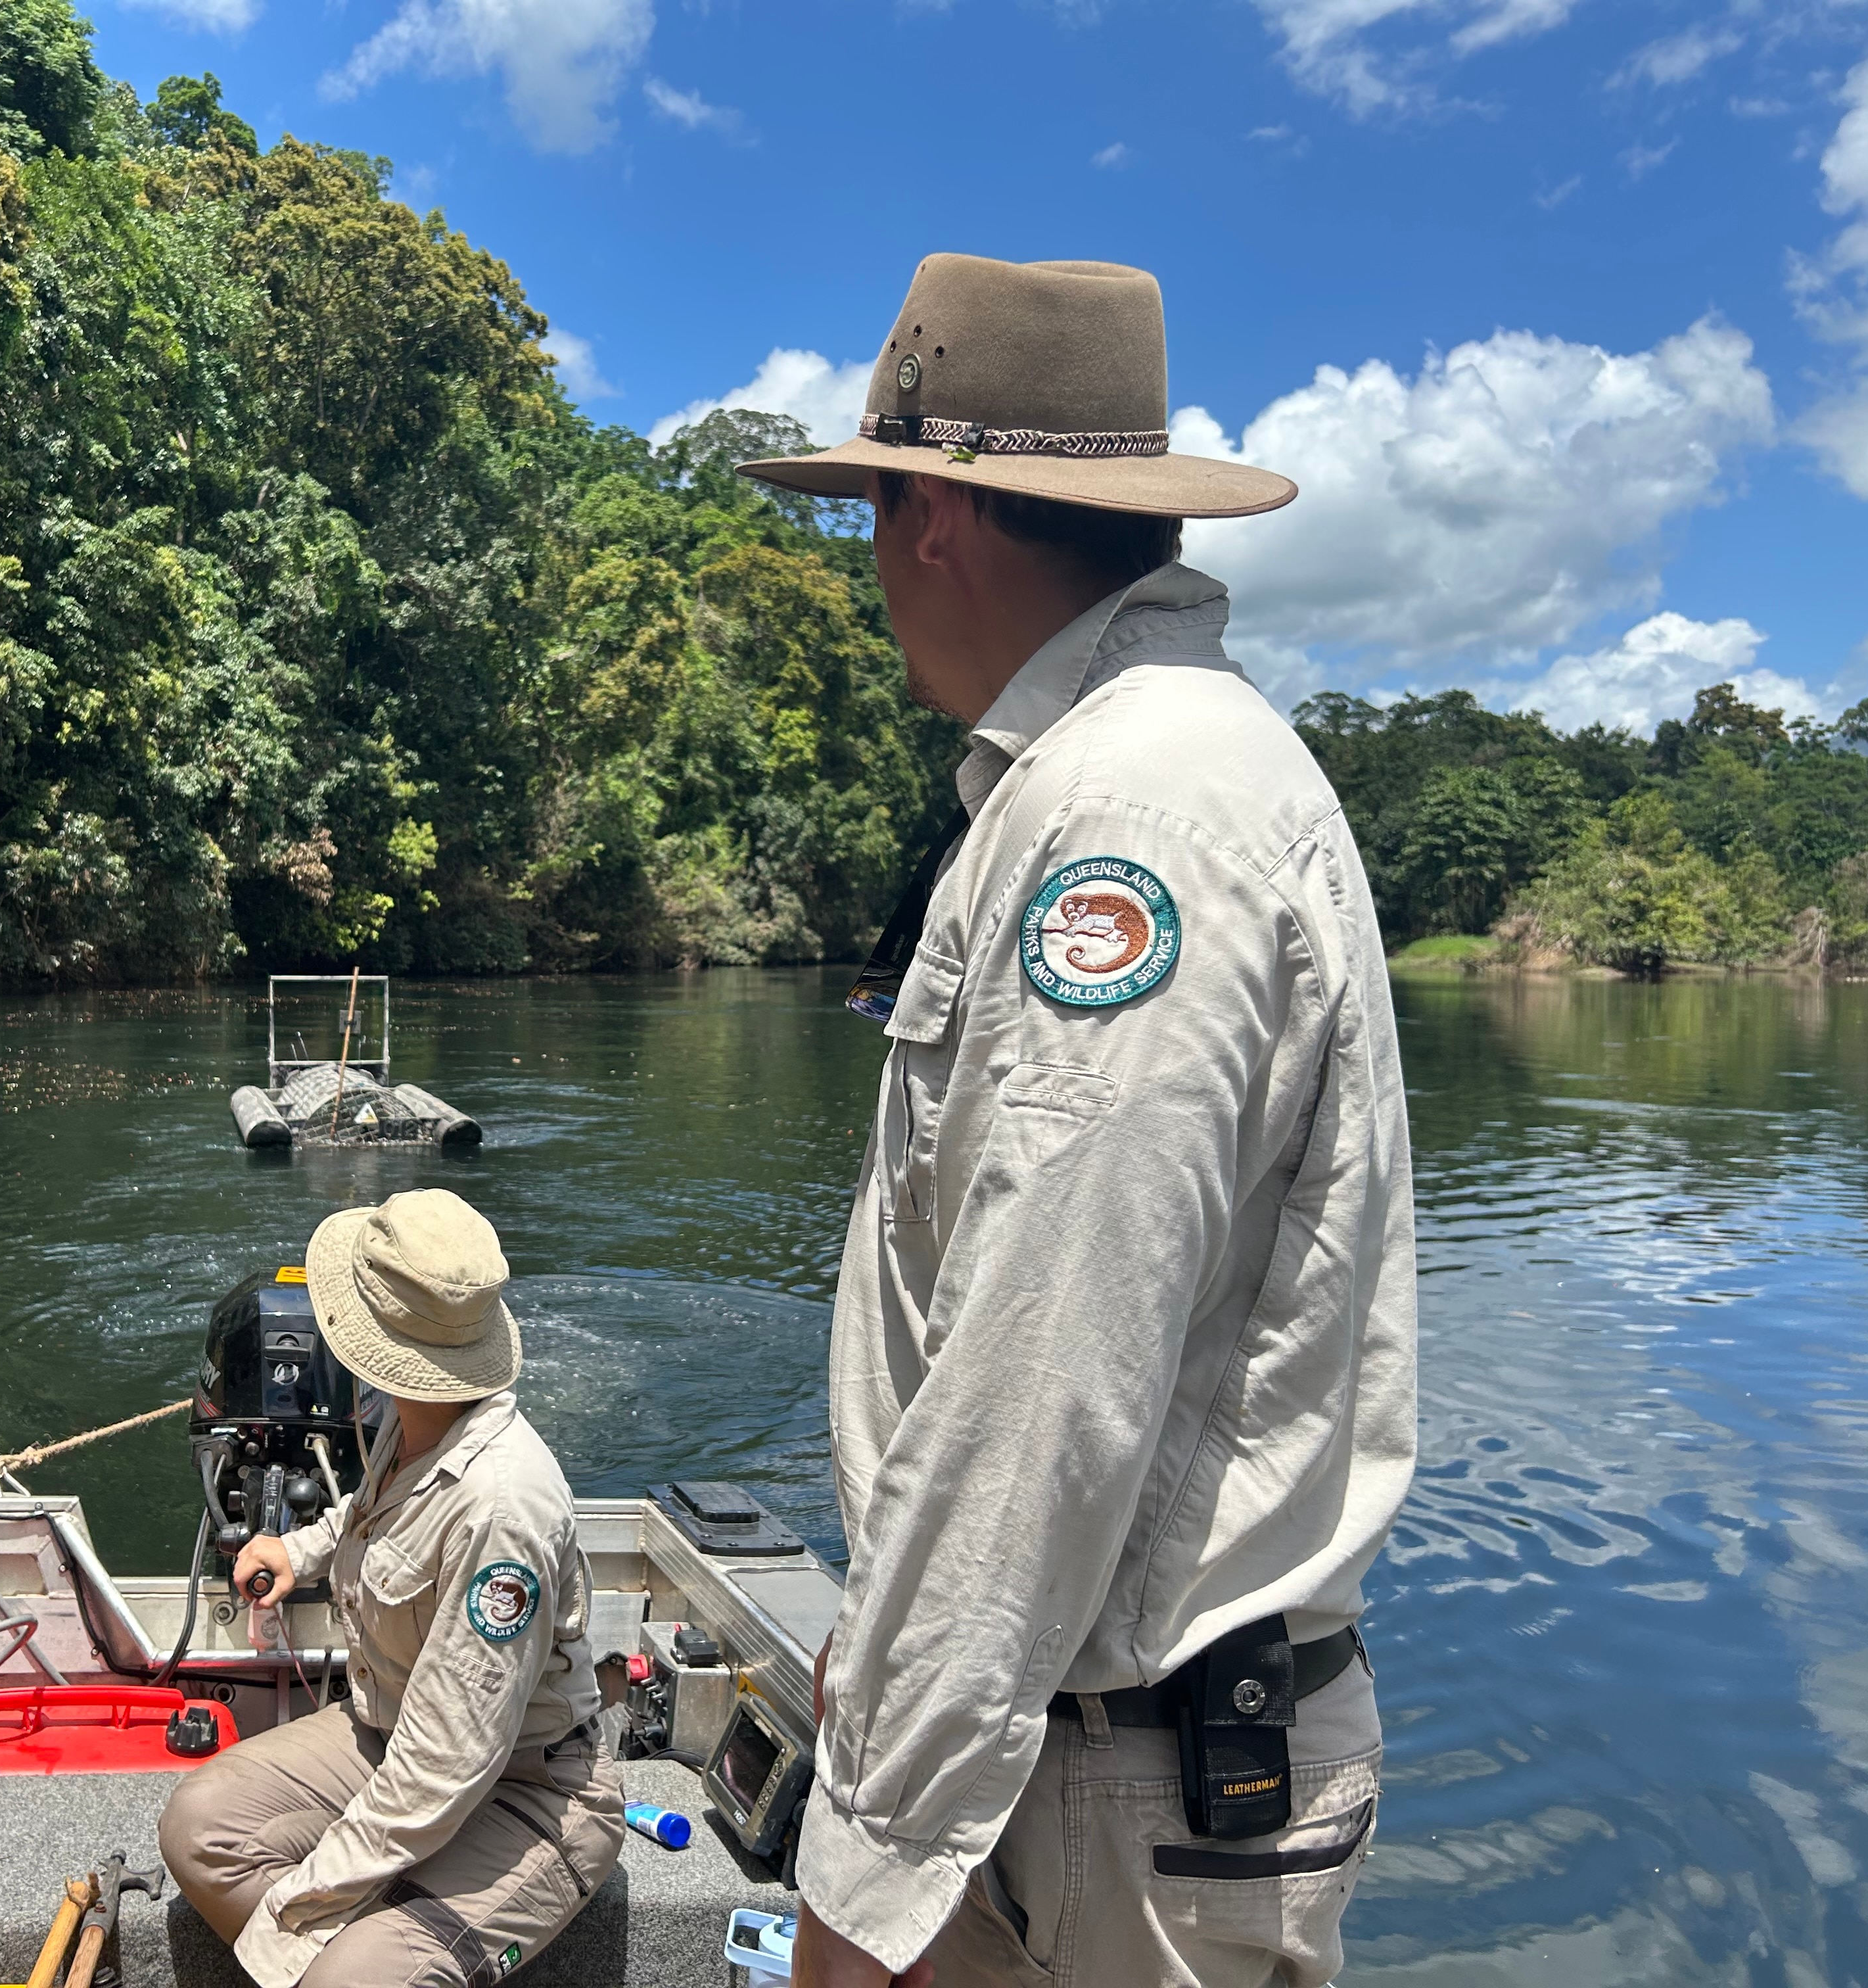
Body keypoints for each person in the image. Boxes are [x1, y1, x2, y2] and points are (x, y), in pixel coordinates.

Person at [732, 255, 1418, 1987]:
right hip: (1084, 1761)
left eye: (871, 513)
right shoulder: (1160, 767)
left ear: (935, 517)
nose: (874, 565)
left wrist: (868, 1859)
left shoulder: (1130, 809)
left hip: (1105, 1799)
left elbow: (1044, 1383)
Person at [160, 1187, 623, 1988]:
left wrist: (296, 1914)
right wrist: (300, 1551)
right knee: (198, 1830)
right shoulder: (417, 1418)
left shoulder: (501, 1508)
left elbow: (449, 1766)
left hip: (530, 1789)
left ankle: (364, 1959)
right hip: (390, 1730)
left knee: (350, 1975)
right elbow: (367, 1518)